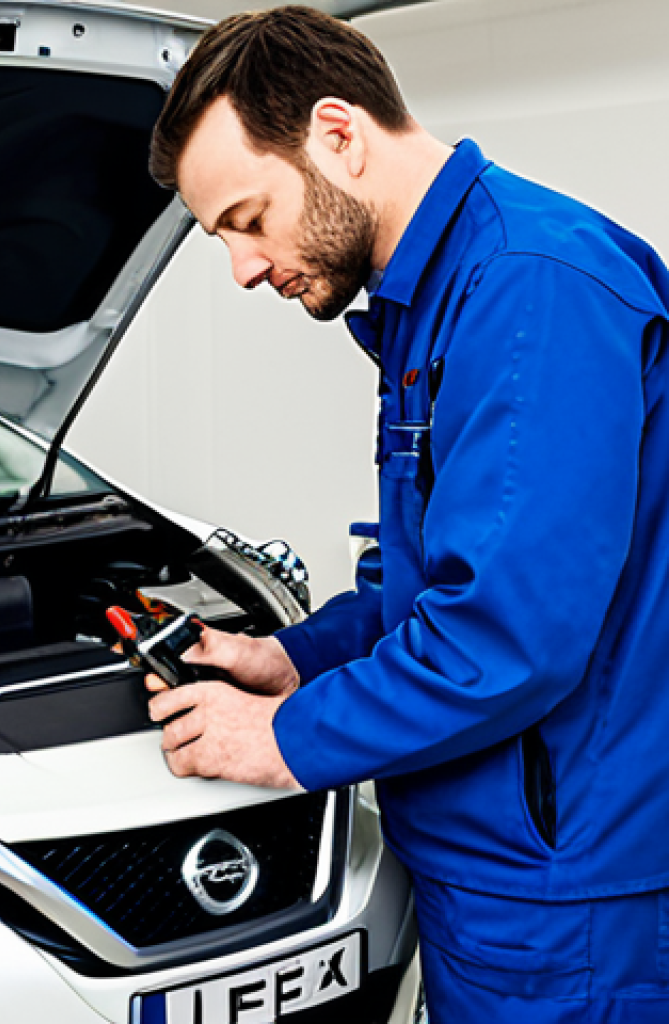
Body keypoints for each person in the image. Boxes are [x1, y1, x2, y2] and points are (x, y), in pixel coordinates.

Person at [144, 6, 669, 1021]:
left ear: (337, 134)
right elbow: (427, 573)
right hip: (498, 869)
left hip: (568, 895)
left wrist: (281, 736)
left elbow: (506, 636)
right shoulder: (432, 299)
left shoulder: (529, 289)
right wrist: (298, 656)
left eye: (247, 219)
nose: (245, 267)